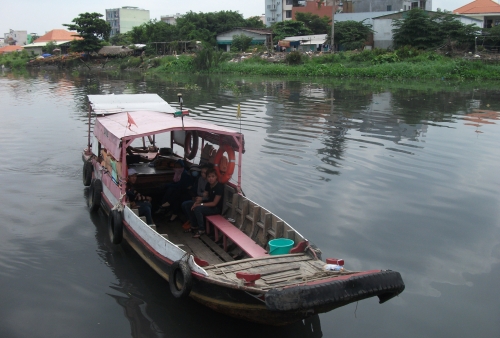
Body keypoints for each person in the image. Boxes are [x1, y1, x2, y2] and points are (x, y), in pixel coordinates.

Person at [182, 168, 224, 238]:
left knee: (197, 209)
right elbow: (205, 197)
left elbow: (214, 203)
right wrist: (198, 201)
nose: (211, 179)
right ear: (207, 178)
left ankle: (201, 229)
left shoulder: (219, 187)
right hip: (207, 204)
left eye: (213, 176)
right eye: (209, 177)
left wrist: (200, 204)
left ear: (216, 177)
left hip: (215, 208)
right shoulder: (208, 184)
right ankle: (194, 225)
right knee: (186, 204)